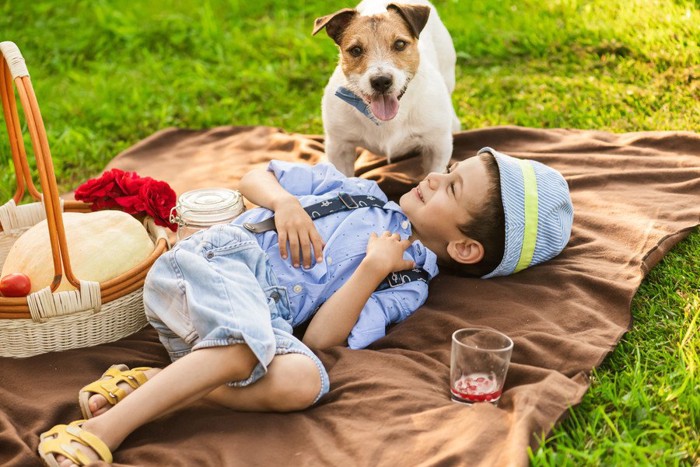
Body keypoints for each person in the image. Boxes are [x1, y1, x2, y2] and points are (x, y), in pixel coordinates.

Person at [37, 147, 574, 466]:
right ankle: (105, 432)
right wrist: (285, 203)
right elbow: (255, 177)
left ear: (463, 248)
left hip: (239, 331)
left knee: (307, 381)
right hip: (213, 267)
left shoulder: (408, 285)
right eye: (450, 168)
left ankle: (148, 385)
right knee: (251, 345)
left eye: (451, 187)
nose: (434, 175)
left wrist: (371, 271)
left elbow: (321, 340)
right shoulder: (359, 191)